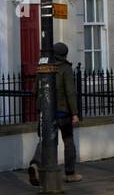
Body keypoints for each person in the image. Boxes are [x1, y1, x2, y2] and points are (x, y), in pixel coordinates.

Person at [28, 42, 82, 185]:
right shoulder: (65, 68)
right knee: (68, 141)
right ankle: (70, 173)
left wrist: (39, 107)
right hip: (62, 112)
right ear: (64, 55)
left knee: (44, 140)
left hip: (45, 111)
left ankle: (35, 164)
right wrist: (75, 113)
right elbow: (70, 92)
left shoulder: (43, 66)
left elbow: (35, 90)